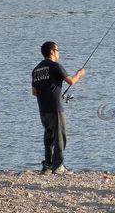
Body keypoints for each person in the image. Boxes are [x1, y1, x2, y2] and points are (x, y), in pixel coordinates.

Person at [31, 41, 85, 175]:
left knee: (49, 137)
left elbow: (34, 92)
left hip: (43, 109)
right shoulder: (55, 66)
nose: (58, 52)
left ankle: (47, 166)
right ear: (52, 52)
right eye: (57, 50)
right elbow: (71, 81)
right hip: (56, 109)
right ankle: (58, 166)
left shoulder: (36, 69)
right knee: (60, 137)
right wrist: (80, 73)